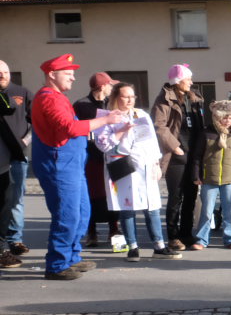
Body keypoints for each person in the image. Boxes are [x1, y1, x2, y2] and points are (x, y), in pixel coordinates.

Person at [32, 54, 125, 280]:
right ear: (51, 75)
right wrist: (106, 120)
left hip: (72, 164)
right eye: (68, 73)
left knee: (82, 213)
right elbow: (70, 128)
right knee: (67, 215)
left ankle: (72, 257)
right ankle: (57, 264)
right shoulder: (49, 99)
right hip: (60, 165)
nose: (73, 78)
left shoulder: (58, 97)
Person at [94, 82, 180, 262]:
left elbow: (151, 141)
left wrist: (156, 163)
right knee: (127, 207)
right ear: (116, 97)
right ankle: (132, 247)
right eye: (125, 96)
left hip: (145, 165)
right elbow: (103, 145)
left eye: (132, 96)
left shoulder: (141, 115)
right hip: (123, 166)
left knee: (152, 206)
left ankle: (159, 246)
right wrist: (121, 131)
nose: (130, 100)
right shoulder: (108, 117)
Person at [152, 64, 205, 250]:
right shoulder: (164, 99)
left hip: (194, 154)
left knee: (191, 196)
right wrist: (175, 147)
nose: (191, 82)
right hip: (176, 156)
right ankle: (173, 237)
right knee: (176, 197)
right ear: (178, 81)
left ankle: (186, 234)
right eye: (188, 79)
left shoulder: (194, 98)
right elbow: (159, 126)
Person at [191, 100, 231, 250]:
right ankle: (201, 240)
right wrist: (197, 176)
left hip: (230, 179)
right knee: (206, 211)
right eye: (225, 117)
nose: (228, 120)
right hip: (208, 179)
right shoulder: (207, 133)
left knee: (230, 211)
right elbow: (197, 156)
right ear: (217, 117)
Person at [74, 71, 118, 247]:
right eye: (110, 84)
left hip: (111, 154)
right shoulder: (81, 105)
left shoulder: (112, 103)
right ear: (103, 86)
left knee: (112, 193)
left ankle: (114, 230)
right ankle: (91, 231)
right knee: (91, 194)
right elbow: (78, 129)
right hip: (91, 156)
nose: (112, 87)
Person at [0, 60, 32, 262]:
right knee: (3, 200)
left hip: (17, 155)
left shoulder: (23, 92)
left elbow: (35, 121)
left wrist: (25, 141)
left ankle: (15, 240)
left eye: (4, 72)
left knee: (16, 198)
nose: (2, 75)